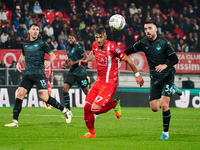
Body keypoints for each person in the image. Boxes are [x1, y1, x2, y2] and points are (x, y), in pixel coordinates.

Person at [78, 26, 144, 138]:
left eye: (101, 37)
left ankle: (114, 104)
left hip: (109, 83)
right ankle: (91, 133)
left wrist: (137, 75)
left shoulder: (112, 48)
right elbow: (93, 54)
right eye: (96, 37)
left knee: (95, 109)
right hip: (98, 81)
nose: (98, 40)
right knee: (86, 107)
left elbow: (127, 59)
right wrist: (86, 60)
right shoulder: (95, 45)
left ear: (105, 37)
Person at [5, 23, 71, 127]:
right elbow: (23, 55)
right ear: (29, 31)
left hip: (39, 74)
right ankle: (15, 121)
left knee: (45, 97)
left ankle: (64, 110)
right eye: (33, 29)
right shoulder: (25, 44)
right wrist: (18, 63)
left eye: (37, 29)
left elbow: (52, 55)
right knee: (19, 94)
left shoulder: (42, 43)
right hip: (27, 75)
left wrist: (49, 62)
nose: (35, 31)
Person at [124, 20, 182, 140]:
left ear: (156, 29)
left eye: (150, 28)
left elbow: (175, 60)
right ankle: (173, 90)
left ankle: (165, 133)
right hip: (155, 78)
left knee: (165, 105)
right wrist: (116, 55)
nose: (147, 31)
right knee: (155, 108)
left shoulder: (164, 43)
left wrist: (165, 66)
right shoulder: (143, 43)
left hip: (167, 76)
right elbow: (128, 51)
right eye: (145, 29)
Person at [62, 33, 89, 118]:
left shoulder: (78, 47)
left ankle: (94, 109)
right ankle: (68, 111)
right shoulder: (67, 48)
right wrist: (66, 65)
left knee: (86, 92)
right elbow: (70, 60)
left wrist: (74, 62)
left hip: (80, 72)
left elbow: (85, 57)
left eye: (72, 38)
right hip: (72, 72)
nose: (70, 40)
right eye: (69, 38)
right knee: (65, 89)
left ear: (75, 40)